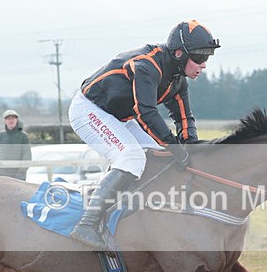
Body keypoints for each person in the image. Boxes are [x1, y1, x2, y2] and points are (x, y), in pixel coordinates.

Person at [68, 19, 220, 250]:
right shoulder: (147, 66)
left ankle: (134, 212)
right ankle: (87, 224)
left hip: (120, 116)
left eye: (207, 58)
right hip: (90, 109)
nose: (204, 65)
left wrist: (191, 148)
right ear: (179, 53)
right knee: (131, 157)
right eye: (200, 58)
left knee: (160, 155)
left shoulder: (178, 79)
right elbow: (146, 113)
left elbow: (184, 120)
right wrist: (176, 148)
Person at [0, 109, 31, 180]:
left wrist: (21, 172)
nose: (11, 120)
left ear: (17, 120)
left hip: (19, 176)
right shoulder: (0, 136)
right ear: (4, 121)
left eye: (13, 118)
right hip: (3, 175)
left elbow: (27, 156)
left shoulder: (23, 136)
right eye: (8, 118)